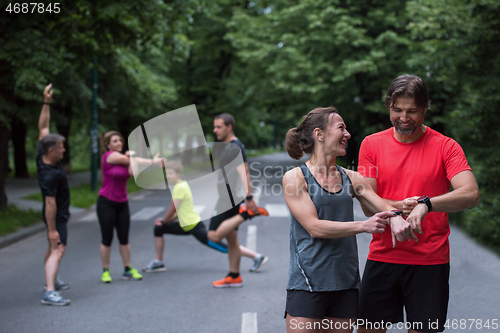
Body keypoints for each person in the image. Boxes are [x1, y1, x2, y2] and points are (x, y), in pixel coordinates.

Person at [357, 74, 480, 333]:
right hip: (383, 255)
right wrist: (398, 211)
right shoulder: (371, 144)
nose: (404, 117)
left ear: (425, 108)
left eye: (412, 111)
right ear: (388, 107)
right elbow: (368, 204)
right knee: (368, 329)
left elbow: (470, 193)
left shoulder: (446, 147)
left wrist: (427, 203)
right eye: (397, 110)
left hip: (430, 260)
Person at [282, 107, 412, 333]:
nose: (348, 134)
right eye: (341, 128)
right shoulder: (295, 177)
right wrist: (363, 226)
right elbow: (314, 227)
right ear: (319, 135)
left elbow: (381, 204)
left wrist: (398, 216)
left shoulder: (352, 178)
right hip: (307, 283)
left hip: (346, 283)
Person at [207, 113, 269, 288]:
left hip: (229, 198)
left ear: (229, 127)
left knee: (213, 235)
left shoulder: (236, 146)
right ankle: (234, 276)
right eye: (214, 126)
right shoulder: (227, 146)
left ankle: (248, 213)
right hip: (225, 196)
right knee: (232, 240)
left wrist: (249, 198)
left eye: (219, 127)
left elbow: (244, 173)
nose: (215, 130)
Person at [143, 160, 230, 272]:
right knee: (158, 229)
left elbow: (171, 211)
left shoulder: (179, 188)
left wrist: (164, 221)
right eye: (166, 173)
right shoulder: (182, 184)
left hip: (193, 226)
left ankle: (255, 256)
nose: (168, 176)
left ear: (178, 174)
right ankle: (158, 262)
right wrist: (164, 222)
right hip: (185, 225)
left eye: (170, 173)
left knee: (223, 248)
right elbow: (177, 212)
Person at [97, 131, 148, 283]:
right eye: (115, 141)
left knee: (124, 238)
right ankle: (105, 270)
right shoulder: (108, 156)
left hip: (122, 203)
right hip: (106, 202)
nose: (119, 143)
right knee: (107, 238)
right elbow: (131, 160)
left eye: (120, 140)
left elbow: (133, 172)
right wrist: (133, 156)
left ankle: (128, 269)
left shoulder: (126, 159)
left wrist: (134, 158)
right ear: (108, 145)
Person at [37, 83, 71, 306]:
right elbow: (50, 204)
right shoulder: (50, 174)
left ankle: (52, 280)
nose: (64, 150)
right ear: (52, 150)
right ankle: (49, 291)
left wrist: (46, 101)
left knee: (53, 250)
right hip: (56, 216)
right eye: (61, 148)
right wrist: (51, 229)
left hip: (57, 215)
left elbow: (43, 127)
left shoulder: (43, 154)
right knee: (58, 249)